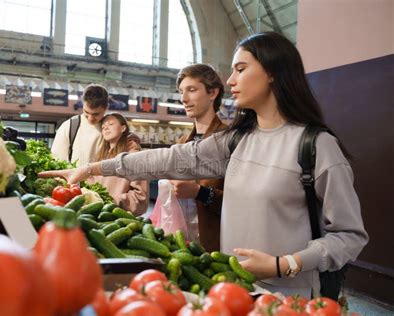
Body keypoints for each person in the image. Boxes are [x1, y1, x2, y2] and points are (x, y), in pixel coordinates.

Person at [40, 32, 368, 297]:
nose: (231, 78)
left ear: (272, 74)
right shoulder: (237, 140)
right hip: (235, 291)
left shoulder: (317, 146)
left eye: (241, 69)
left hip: (291, 299)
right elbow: (169, 159)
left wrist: (286, 264)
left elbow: (349, 236)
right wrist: (92, 169)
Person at [171, 64, 227, 251]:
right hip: (183, 246)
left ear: (212, 93)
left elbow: (243, 204)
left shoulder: (230, 142)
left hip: (218, 248)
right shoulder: (181, 144)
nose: (183, 99)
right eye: (181, 92)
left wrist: (199, 192)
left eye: (191, 90)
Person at [89, 113, 148, 215]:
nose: (106, 128)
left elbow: (140, 197)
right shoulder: (101, 155)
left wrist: (112, 202)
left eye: (111, 124)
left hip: (119, 219)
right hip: (98, 214)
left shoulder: (135, 156)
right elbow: (91, 183)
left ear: (123, 128)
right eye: (103, 127)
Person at [51, 84, 108, 166]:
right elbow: (57, 161)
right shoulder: (69, 126)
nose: (90, 118)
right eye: (86, 112)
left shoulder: (112, 127)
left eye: (96, 114)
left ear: (106, 108)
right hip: (73, 178)